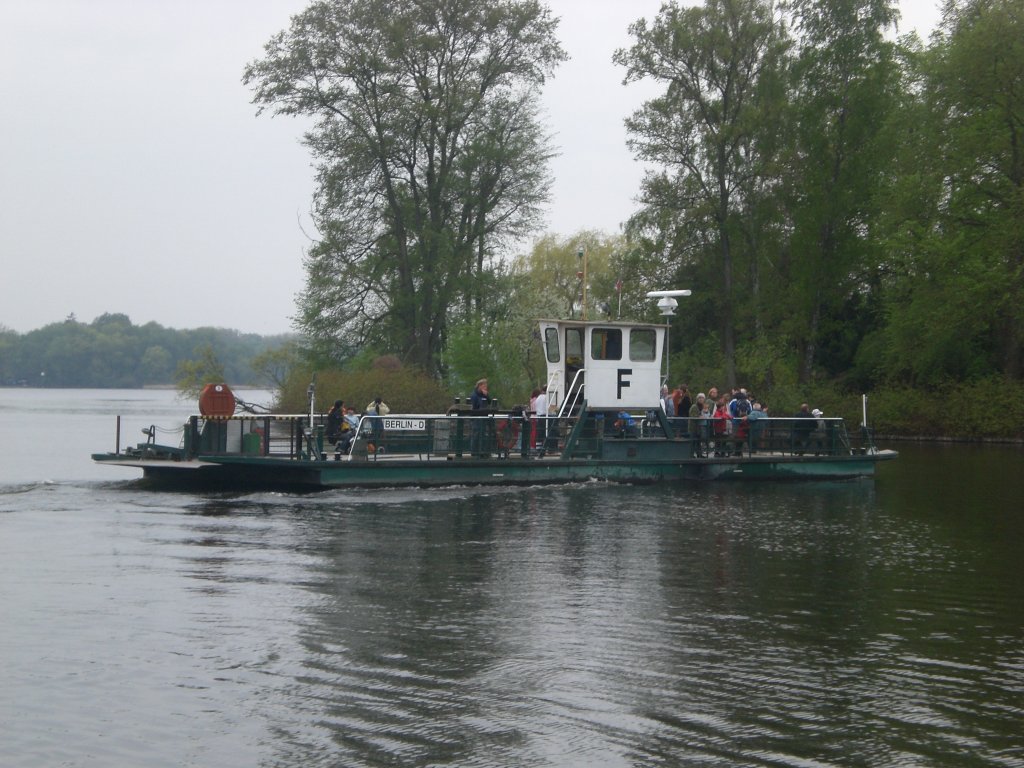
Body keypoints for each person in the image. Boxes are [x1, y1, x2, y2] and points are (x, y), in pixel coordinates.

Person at [470, 379, 491, 456]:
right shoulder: (474, 395)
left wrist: (486, 395)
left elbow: (489, 401)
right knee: (476, 434)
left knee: (482, 434)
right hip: (476, 417)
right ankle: (474, 452)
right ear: (480, 386)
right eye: (484, 385)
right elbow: (475, 406)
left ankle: (482, 451)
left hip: (483, 417)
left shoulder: (484, 394)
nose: (485, 387)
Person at [533, 385, 549, 455]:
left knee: (540, 433)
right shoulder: (546, 397)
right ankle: (547, 448)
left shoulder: (538, 398)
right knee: (547, 433)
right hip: (545, 416)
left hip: (539, 417)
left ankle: (538, 448)